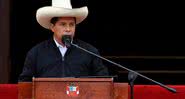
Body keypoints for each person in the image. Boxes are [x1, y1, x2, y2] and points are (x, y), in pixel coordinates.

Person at [18, 0, 109, 82]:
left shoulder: (90, 51)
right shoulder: (36, 53)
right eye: (63, 24)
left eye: (72, 25)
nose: (68, 29)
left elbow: (104, 81)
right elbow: (25, 84)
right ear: (52, 27)